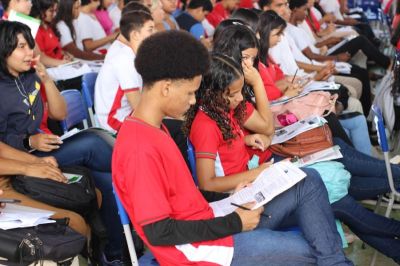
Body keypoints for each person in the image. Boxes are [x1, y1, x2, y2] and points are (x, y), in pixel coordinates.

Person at [113, 30, 352, 265]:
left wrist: (231, 202)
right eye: (189, 93)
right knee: (315, 250)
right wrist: (236, 222)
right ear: (166, 87)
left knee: (307, 180)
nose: (193, 100)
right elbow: (159, 232)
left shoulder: (153, 127)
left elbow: (184, 203)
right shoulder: (139, 147)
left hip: (211, 218)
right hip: (197, 251)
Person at [0, 20, 125, 264]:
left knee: (99, 183)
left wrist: (46, 80)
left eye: (30, 46)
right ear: (4, 51)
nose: (30, 53)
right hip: (17, 163)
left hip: (37, 153)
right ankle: (135, 171)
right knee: (91, 143)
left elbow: (60, 113)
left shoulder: (28, 78)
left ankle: (114, 249)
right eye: (21, 47)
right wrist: (28, 146)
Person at [95, 3, 154, 134]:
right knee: (174, 127)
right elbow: (138, 107)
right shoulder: (124, 58)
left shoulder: (130, 53)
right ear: (135, 33)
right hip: (116, 122)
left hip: (127, 113)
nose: (153, 35)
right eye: (150, 30)